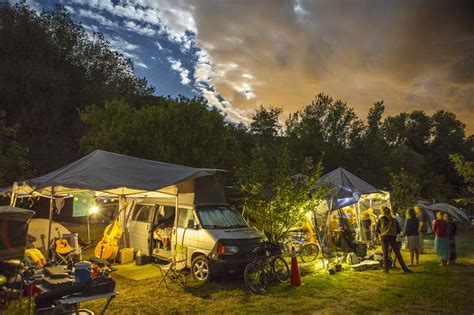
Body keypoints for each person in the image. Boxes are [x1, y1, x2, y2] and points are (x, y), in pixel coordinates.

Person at [375, 207, 412, 273]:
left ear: (382, 212)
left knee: (385, 253)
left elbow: (377, 229)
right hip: (392, 236)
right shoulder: (394, 220)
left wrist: (382, 233)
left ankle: (386, 269)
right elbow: (398, 230)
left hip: (384, 237)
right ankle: (404, 268)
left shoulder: (381, 219)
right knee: (397, 253)